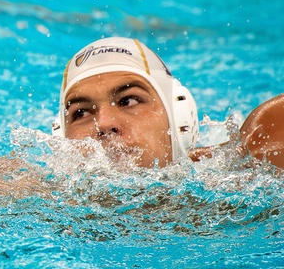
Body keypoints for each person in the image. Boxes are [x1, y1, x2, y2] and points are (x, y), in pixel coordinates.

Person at [53, 36, 284, 169]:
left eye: (129, 100)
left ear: (177, 117)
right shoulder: (41, 196)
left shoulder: (252, 164)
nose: (103, 124)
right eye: (81, 113)